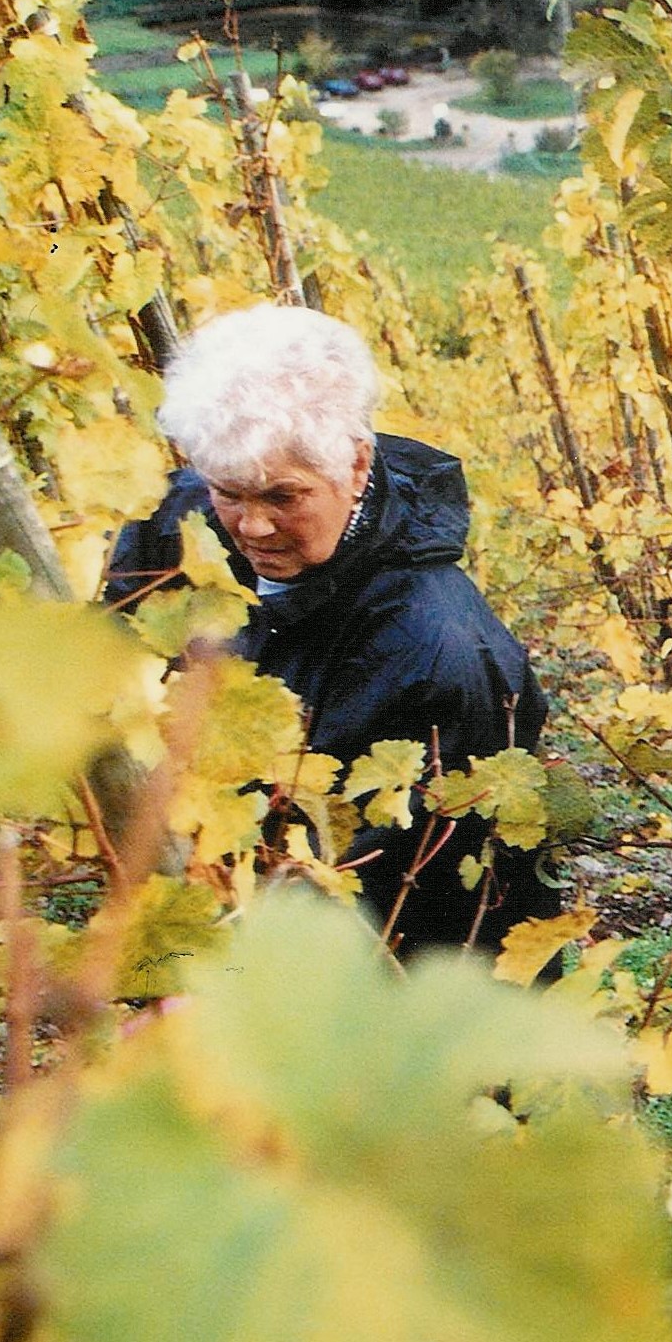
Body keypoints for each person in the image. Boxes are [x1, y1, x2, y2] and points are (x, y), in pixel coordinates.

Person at [108, 305, 555, 954]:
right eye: (229, 492)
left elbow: (419, 900)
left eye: (283, 497)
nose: (251, 525)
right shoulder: (176, 523)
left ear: (355, 465)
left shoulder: (437, 647)